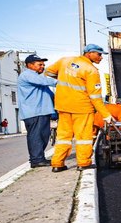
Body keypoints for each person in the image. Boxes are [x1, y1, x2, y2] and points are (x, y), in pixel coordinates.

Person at [45, 44, 115, 172]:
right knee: (83, 137)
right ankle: (83, 163)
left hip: (63, 105)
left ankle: (57, 163)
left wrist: (65, 77)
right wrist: (106, 115)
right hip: (81, 108)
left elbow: (48, 71)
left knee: (63, 137)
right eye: (99, 54)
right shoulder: (91, 70)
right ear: (89, 53)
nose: (101, 57)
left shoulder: (65, 61)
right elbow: (95, 97)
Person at [17, 54, 58, 168]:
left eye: (43, 64)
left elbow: (50, 94)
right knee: (36, 136)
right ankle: (36, 160)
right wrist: (66, 80)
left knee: (44, 135)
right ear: (30, 65)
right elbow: (48, 82)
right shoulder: (27, 75)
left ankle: (40, 158)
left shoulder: (38, 79)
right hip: (33, 112)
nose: (42, 66)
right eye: (39, 64)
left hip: (42, 112)